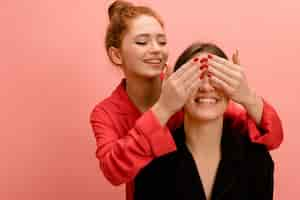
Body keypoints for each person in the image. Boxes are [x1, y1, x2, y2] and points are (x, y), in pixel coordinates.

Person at [90, 1, 282, 200]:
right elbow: (114, 169)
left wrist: (246, 96)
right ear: (116, 54)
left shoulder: (191, 90)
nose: (156, 49)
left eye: (162, 42)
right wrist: (165, 106)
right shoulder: (106, 113)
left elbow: (271, 135)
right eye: (142, 42)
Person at [134, 42, 274, 200]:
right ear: (175, 89)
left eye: (216, 78)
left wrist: (248, 96)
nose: (206, 87)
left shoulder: (256, 159)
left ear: (233, 89)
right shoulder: (152, 164)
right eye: (196, 77)